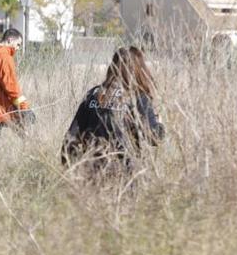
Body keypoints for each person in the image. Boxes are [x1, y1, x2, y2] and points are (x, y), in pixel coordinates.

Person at [61, 46, 165, 175]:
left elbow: (71, 138)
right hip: (125, 177)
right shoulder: (138, 97)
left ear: (112, 67)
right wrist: (159, 125)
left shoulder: (94, 94)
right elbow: (153, 137)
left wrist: (72, 172)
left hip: (91, 175)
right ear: (140, 70)